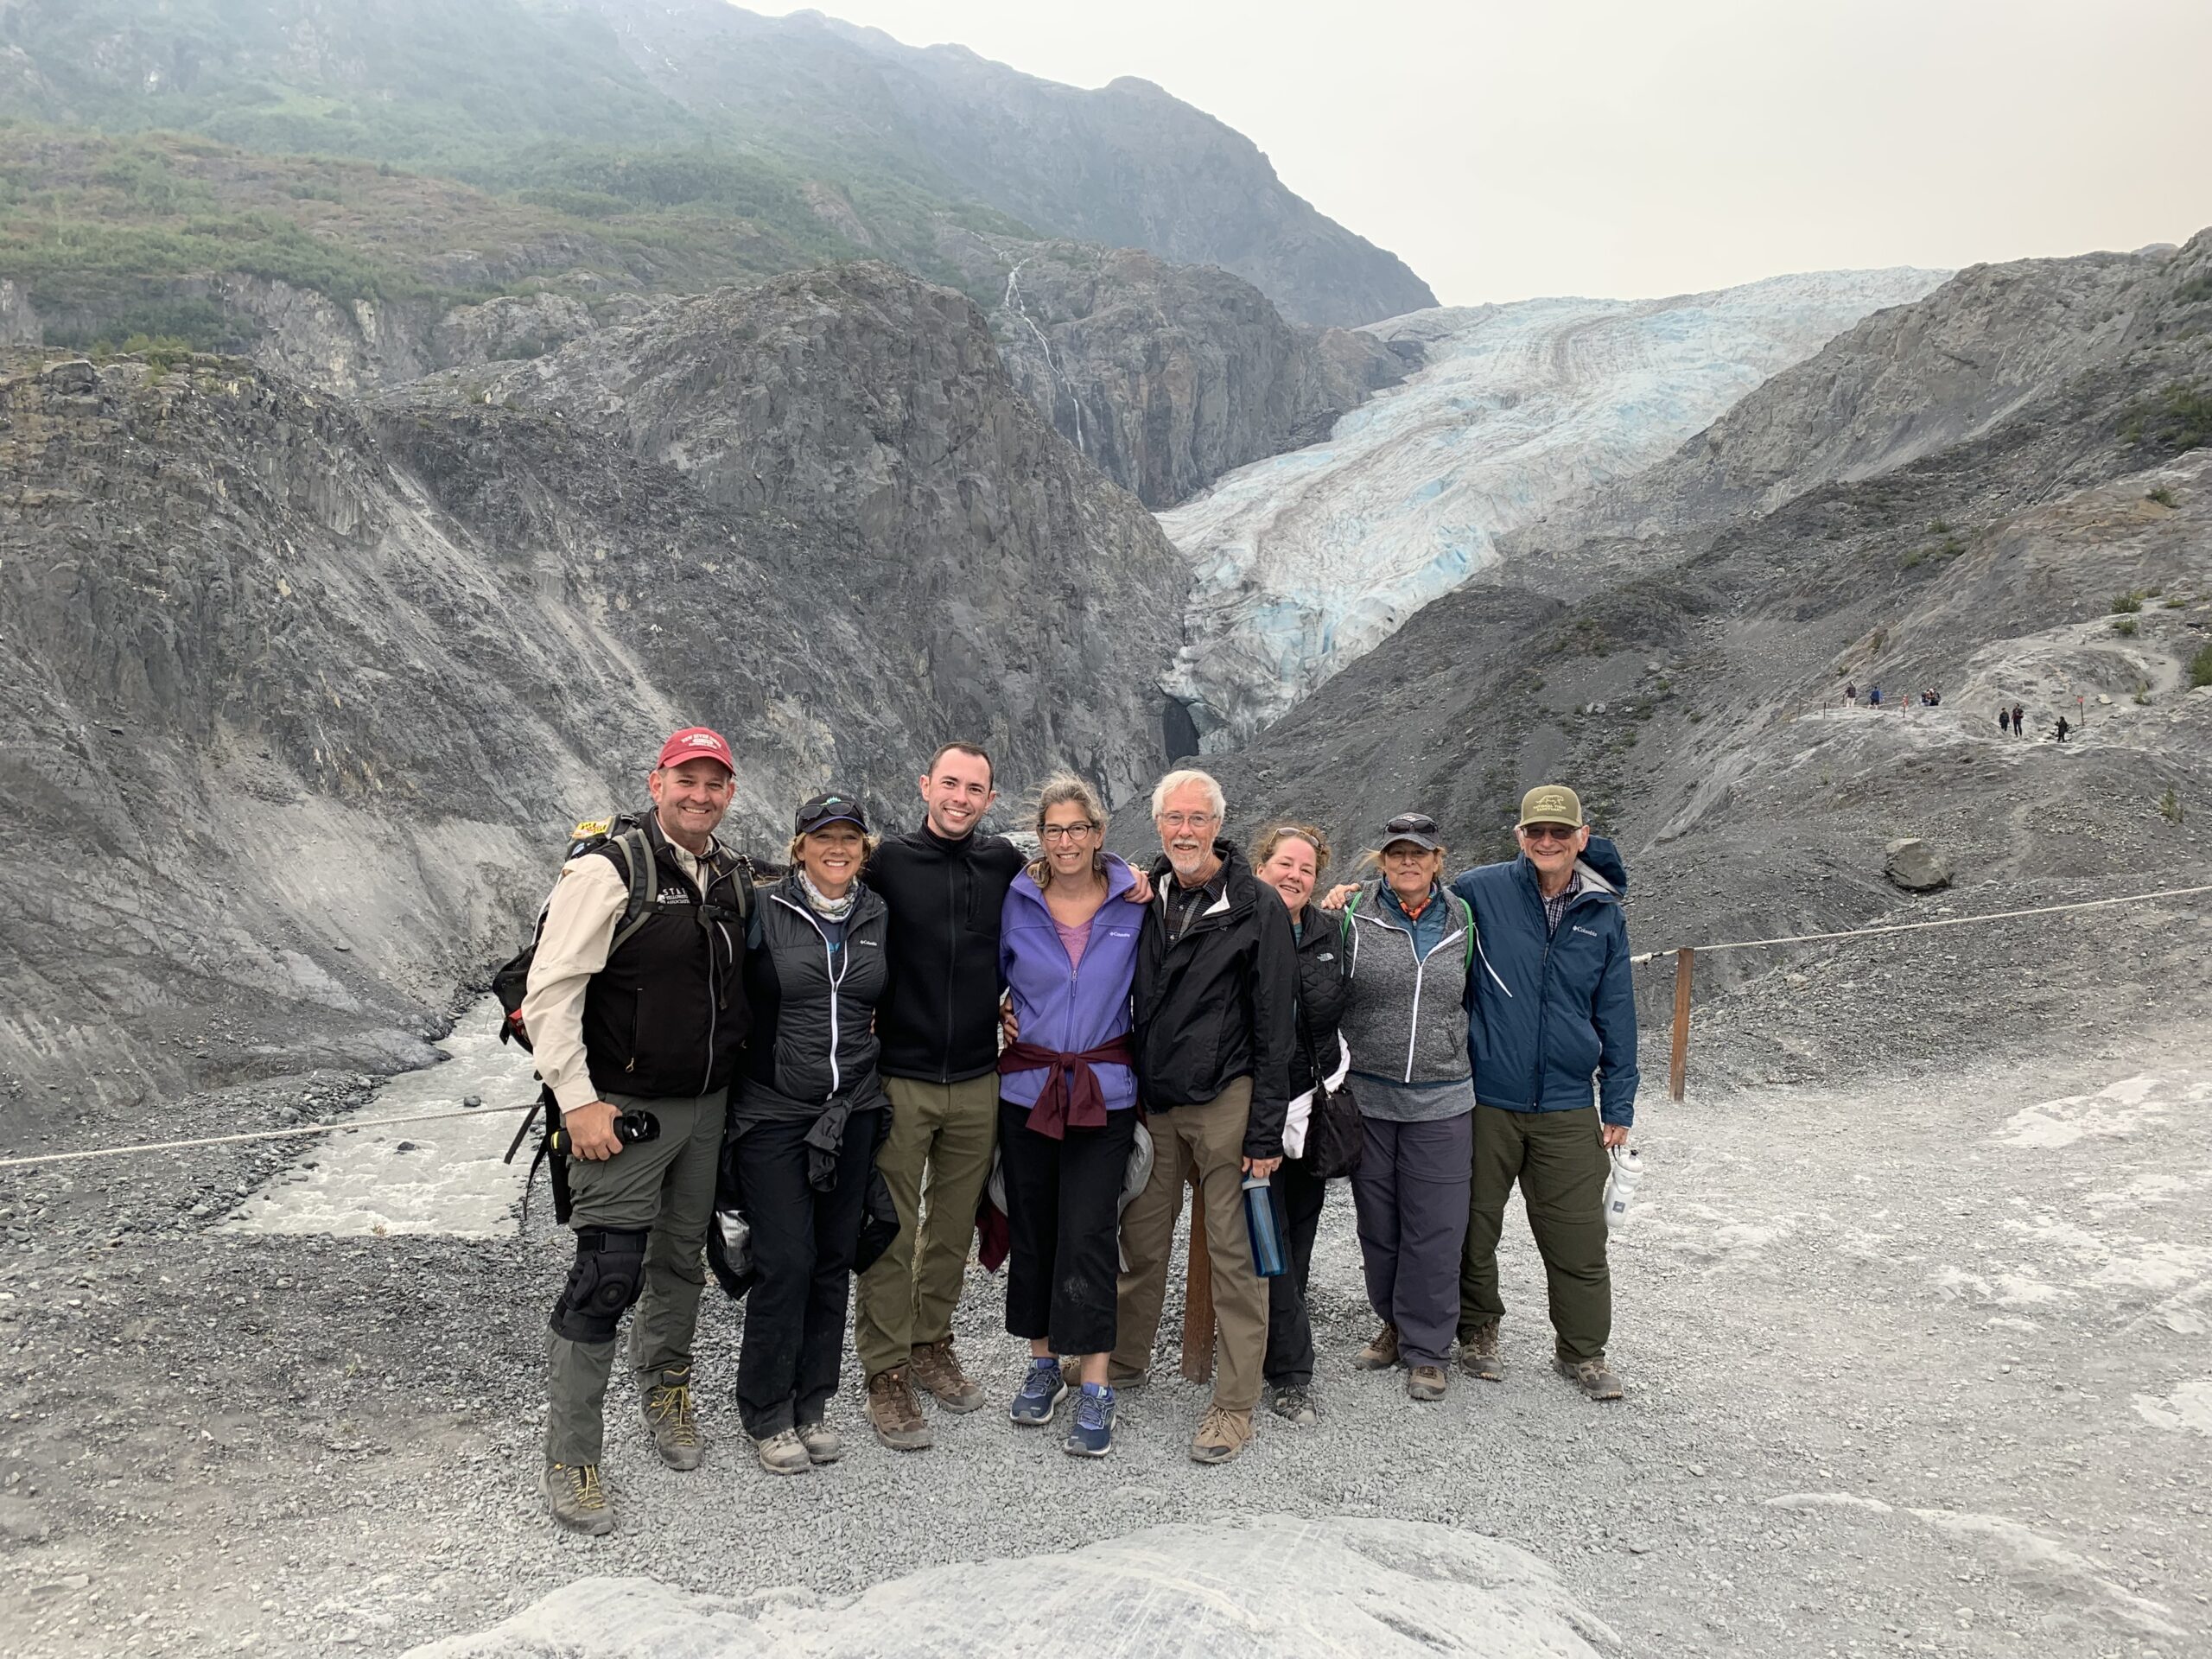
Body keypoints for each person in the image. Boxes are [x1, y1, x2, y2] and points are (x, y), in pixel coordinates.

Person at [520, 726, 754, 1535]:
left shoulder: (729, 875)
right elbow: (551, 992)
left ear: (730, 791)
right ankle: (573, 1457)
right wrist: (578, 1102)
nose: (700, 794)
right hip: (618, 1111)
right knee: (607, 1276)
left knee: (681, 1259)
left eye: (714, 783)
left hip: (706, 1108)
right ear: (656, 783)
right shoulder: (607, 870)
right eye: (685, 780)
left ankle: (668, 1392)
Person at [1114, 768, 1298, 1465]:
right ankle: (1127, 1363)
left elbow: (1274, 1028)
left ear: (1218, 825)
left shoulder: (1256, 906)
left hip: (1226, 1101)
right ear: (1158, 824)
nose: (1185, 830)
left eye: (1198, 818)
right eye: (1173, 818)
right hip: (1156, 1100)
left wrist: (1263, 1132)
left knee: (1235, 1257)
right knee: (1141, 1240)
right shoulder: (1143, 895)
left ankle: (1234, 1403)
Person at [1452, 785, 1637, 1402]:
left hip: (1565, 1103)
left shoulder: (1602, 910)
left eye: (1560, 832)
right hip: (1486, 1098)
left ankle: (1581, 1352)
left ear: (1582, 836)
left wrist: (1618, 1103)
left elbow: (1617, 1011)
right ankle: (1478, 1330)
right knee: (1473, 1225)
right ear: (1520, 836)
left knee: (1579, 1236)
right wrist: (1351, 898)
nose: (1548, 842)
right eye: (1537, 831)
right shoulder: (1482, 890)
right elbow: (1414, 904)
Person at [731, 792, 892, 1475]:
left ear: (863, 848)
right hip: (774, 1111)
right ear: (799, 847)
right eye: (823, 837)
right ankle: (766, 1412)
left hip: (850, 1108)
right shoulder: (763, 911)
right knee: (785, 1260)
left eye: (849, 838)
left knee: (832, 1257)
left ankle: (813, 1403)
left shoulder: (877, 913)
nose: (837, 848)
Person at [995, 776, 1147, 1457]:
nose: (1065, 842)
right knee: (1033, 1225)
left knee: (1088, 1230)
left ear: (1099, 833)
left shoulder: (1134, 902)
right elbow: (984, 974)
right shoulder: (1016, 902)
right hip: (1028, 1086)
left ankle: (1095, 1382)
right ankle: (1041, 1363)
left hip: (1103, 1090)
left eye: (1077, 829)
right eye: (1053, 830)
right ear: (1041, 836)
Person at [1332, 813, 1478, 1403]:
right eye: (1396, 854)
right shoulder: (1350, 915)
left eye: (1418, 854)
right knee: (1381, 1227)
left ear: (1438, 860)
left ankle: (1428, 1349)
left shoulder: (1464, 918)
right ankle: (1393, 1325)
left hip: (1443, 1097)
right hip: (1368, 1094)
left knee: (1436, 1229)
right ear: (1381, 860)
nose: (1407, 863)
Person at [1250, 823, 1351, 1427]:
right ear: (1262, 867)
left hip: (1311, 1108)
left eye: (1306, 869)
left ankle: (1275, 1342)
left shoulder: (1332, 932)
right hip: (1252, 1110)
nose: (1293, 875)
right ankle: (1291, 1373)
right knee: (1272, 1238)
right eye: (1283, 864)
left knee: (1300, 1234)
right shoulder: (1236, 927)